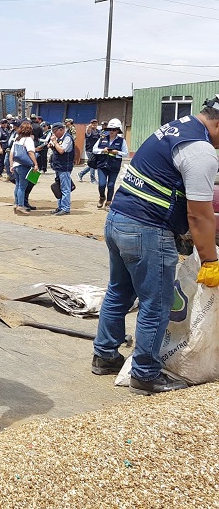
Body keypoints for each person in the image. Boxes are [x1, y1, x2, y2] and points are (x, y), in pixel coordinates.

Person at [91, 97, 219, 395]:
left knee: (119, 292)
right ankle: (145, 374)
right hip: (147, 230)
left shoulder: (175, 128)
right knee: (157, 303)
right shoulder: (200, 150)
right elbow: (199, 215)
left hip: (118, 220)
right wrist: (210, 261)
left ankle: (104, 355)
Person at [92, 118, 129, 210]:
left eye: (114, 130)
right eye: (110, 129)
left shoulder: (122, 141)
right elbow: (94, 150)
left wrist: (117, 152)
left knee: (111, 185)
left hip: (114, 166)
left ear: (118, 131)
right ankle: (102, 197)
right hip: (102, 165)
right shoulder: (102, 139)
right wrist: (102, 150)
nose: (112, 131)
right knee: (102, 184)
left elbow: (126, 153)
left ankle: (108, 202)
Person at [9, 121, 39, 215]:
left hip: (16, 164)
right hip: (24, 165)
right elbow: (30, 152)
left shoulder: (17, 139)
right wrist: (35, 164)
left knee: (18, 185)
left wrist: (11, 165)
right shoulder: (28, 140)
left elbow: (11, 153)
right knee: (22, 187)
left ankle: (16, 203)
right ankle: (21, 206)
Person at [48, 122, 75, 215]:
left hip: (65, 167)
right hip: (58, 166)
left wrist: (55, 142)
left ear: (61, 129)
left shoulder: (67, 138)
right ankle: (60, 207)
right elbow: (57, 150)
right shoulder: (59, 139)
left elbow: (61, 150)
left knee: (65, 188)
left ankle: (65, 208)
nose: (54, 133)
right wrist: (53, 146)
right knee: (59, 187)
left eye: (55, 131)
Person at [78, 119, 100, 183]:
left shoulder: (98, 131)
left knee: (92, 164)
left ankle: (81, 173)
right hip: (90, 150)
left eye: (95, 123)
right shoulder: (89, 130)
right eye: (93, 123)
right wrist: (88, 128)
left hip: (96, 150)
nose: (94, 124)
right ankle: (92, 179)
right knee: (93, 163)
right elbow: (88, 133)